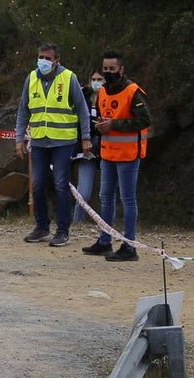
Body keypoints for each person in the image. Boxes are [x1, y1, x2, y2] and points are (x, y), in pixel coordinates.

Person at [14, 42, 93, 247]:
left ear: (57, 60)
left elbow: (83, 110)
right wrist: (19, 138)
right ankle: (42, 227)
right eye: (41, 57)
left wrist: (85, 138)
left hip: (63, 141)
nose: (43, 61)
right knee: (38, 184)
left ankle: (63, 231)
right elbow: (24, 110)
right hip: (39, 141)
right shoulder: (31, 79)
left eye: (48, 58)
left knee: (60, 185)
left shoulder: (68, 78)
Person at [82, 51, 152, 262]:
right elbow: (103, 117)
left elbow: (144, 120)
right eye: (106, 69)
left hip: (128, 154)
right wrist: (101, 128)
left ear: (121, 70)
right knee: (105, 197)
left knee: (128, 199)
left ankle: (129, 246)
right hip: (108, 152)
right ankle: (105, 241)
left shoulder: (133, 92)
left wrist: (115, 125)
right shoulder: (103, 91)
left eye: (112, 69)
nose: (108, 72)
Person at [71, 71, 105, 225]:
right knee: (83, 192)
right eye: (94, 79)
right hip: (86, 148)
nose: (96, 82)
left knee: (106, 193)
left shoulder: (112, 97)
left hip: (107, 147)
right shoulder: (82, 95)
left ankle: (106, 226)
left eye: (100, 79)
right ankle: (77, 223)